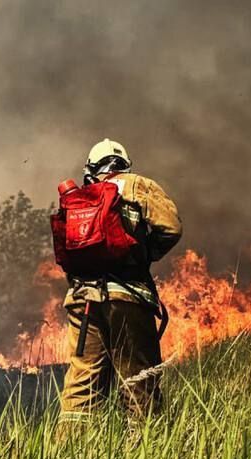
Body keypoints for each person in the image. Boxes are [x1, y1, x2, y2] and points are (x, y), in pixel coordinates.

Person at [58, 138, 182, 425]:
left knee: (81, 384)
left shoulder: (78, 197)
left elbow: (67, 252)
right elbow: (171, 227)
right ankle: (143, 449)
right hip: (128, 296)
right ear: (125, 165)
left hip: (82, 301)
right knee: (138, 379)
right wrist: (146, 253)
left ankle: (69, 451)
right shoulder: (137, 184)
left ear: (90, 168)